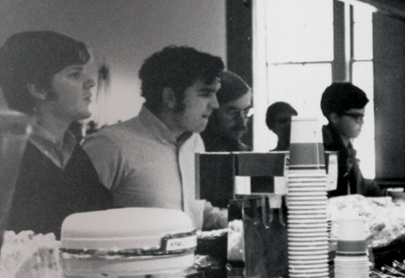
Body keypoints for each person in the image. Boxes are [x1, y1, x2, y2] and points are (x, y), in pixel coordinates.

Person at [83, 45, 226, 230]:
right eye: (206, 93)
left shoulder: (195, 142)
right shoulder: (109, 146)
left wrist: (231, 220)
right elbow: (79, 222)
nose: (215, 104)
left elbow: (193, 209)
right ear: (170, 97)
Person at [0, 31, 112, 237]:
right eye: (74, 74)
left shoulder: (75, 153)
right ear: (39, 90)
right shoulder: (8, 154)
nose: (91, 82)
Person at [320, 82, 385, 197]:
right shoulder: (320, 148)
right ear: (335, 117)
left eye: (362, 116)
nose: (361, 122)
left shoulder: (347, 147)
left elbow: (360, 186)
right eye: (356, 117)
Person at [202, 70, 251, 152]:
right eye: (233, 112)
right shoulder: (195, 150)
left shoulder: (245, 152)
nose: (242, 122)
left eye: (246, 112)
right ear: (212, 111)